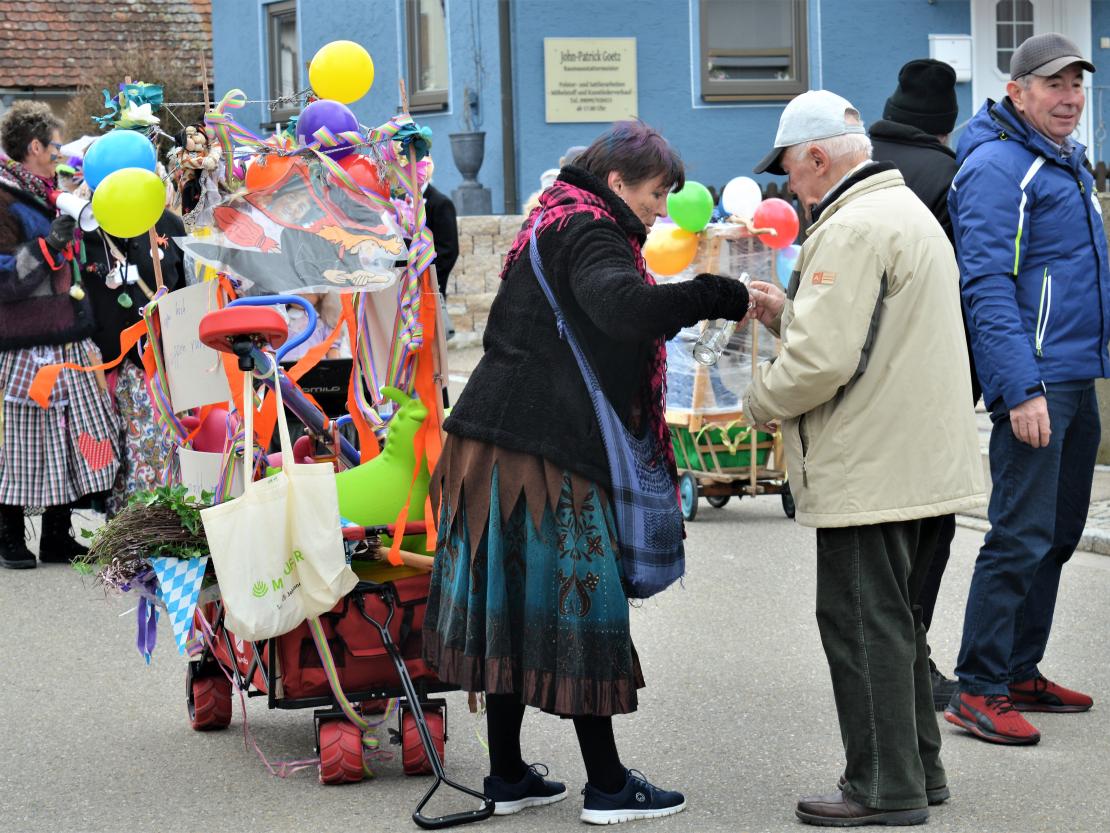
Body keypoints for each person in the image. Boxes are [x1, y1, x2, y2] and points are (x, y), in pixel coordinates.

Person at [421, 120, 749, 824]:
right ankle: (607, 785)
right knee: (580, 610)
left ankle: (506, 775)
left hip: (489, 441)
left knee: (509, 608)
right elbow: (627, 311)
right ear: (617, 183)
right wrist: (722, 293)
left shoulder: (552, 218)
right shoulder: (594, 233)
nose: (663, 208)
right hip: (544, 452)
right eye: (658, 193)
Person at [744, 90, 984, 826]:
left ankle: (882, 784)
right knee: (898, 622)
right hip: (917, 459)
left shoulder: (851, 228)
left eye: (791, 168)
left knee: (859, 621)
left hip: (869, 460)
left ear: (818, 156)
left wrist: (758, 401)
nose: (790, 185)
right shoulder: (906, 212)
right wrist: (790, 312)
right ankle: (918, 770)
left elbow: (821, 361)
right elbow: (876, 330)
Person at [945, 32, 1107, 746]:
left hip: (1075, 371)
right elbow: (985, 283)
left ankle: (1017, 667)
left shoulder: (1061, 159)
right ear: (1016, 92)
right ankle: (978, 685)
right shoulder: (995, 166)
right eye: (1053, 85)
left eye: (1077, 84)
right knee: (1019, 533)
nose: (1069, 97)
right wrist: (1021, 388)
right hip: (1037, 380)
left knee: (1060, 530)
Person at [869, 57, 978, 711]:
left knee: (876, 531)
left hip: (862, 377)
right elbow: (971, 280)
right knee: (929, 525)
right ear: (945, 124)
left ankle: (887, 660)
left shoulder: (856, 165)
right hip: (933, 374)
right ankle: (912, 663)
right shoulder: (950, 175)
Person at [0, 102, 120, 569]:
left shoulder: (48, 193)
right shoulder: (6, 198)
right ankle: (9, 535)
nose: (59, 155)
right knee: (25, 442)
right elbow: (5, 277)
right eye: (54, 147)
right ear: (33, 147)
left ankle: (56, 534)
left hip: (68, 332)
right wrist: (49, 245)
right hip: (26, 341)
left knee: (74, 437)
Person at [83, 208, 187, 517]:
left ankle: (165, 520)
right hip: (111, 358)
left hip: (164, 358)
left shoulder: (168, 223)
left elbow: (183, 284)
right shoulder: (87, 223)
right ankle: (128, 525)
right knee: (121, 449)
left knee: (163, 443)